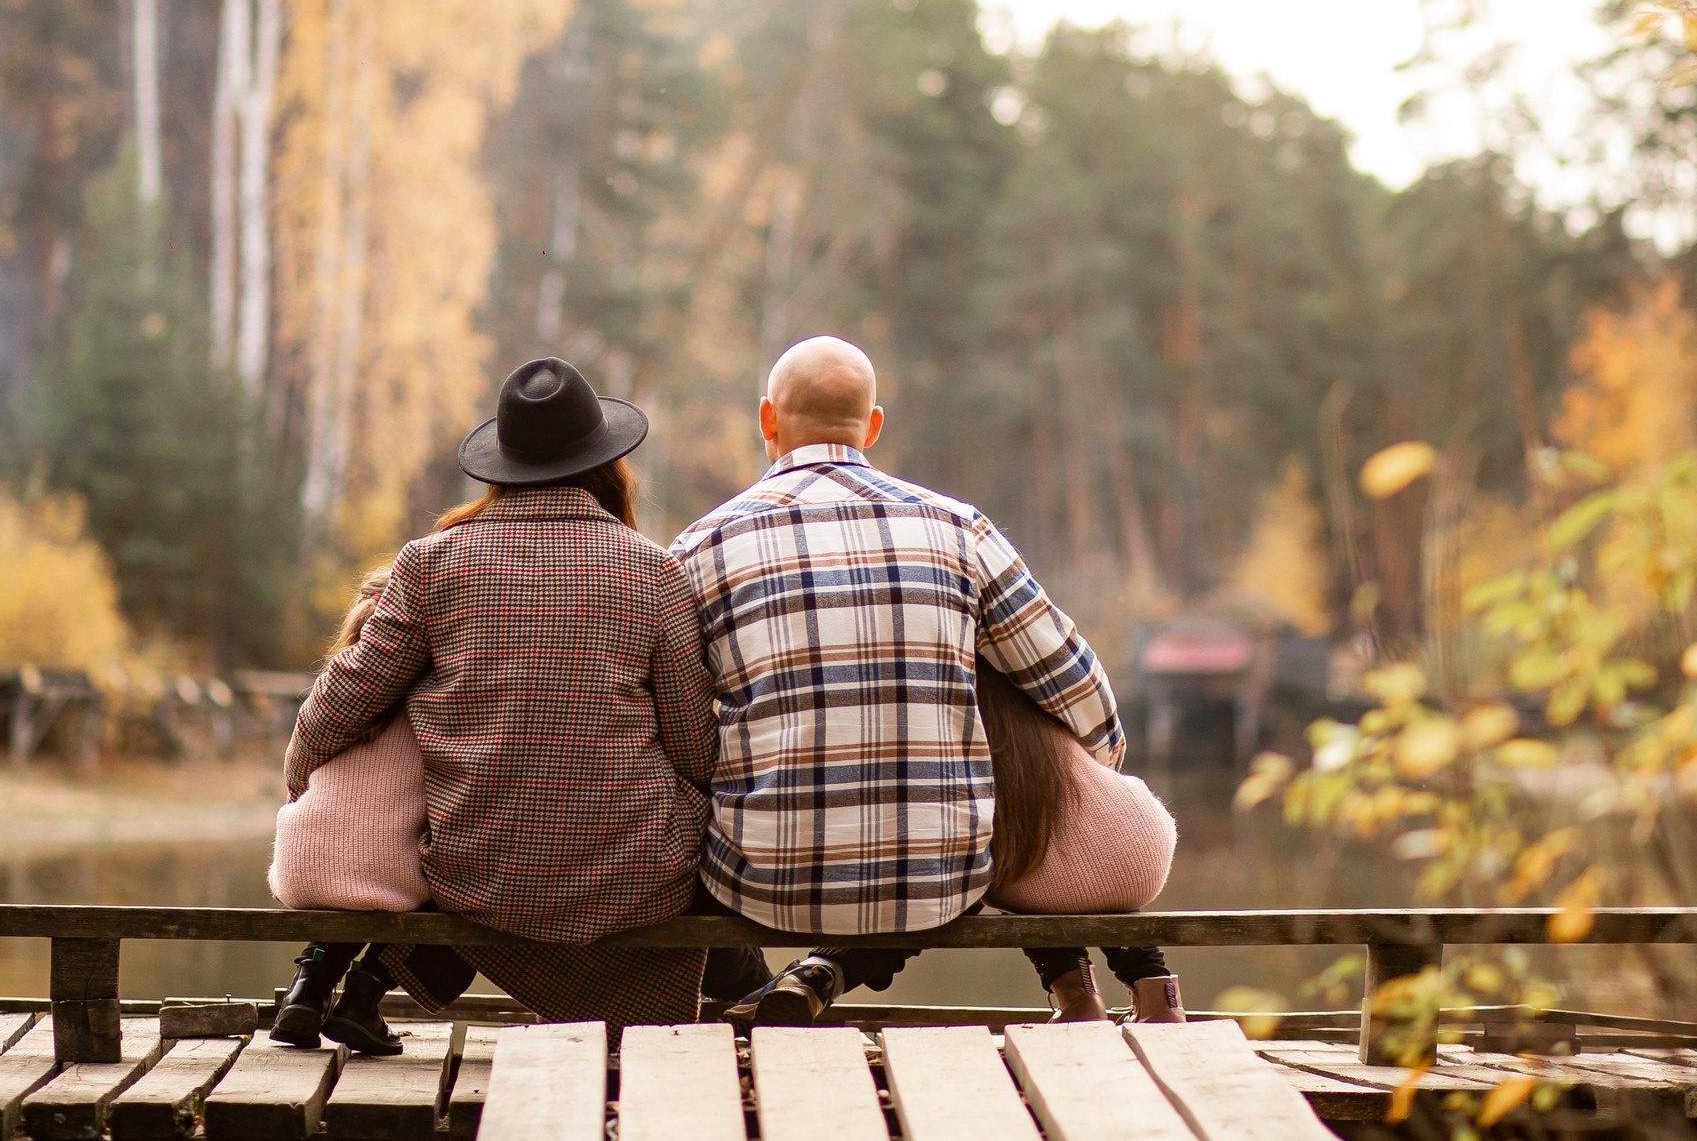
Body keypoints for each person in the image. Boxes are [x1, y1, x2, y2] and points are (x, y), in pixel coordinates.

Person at [672, 335, 1158, 1024]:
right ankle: (1101, 988)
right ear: (872, 426)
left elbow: (679, 732)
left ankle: (797, 978)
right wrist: (1087, 777)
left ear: (766, 420)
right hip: (941, 878)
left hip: (757, 883)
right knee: (1000, 719)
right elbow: (1081, 694)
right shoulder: (958, 528)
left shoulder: (699, 547)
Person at [276, 357, 718, 1045]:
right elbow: (695, 751)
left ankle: (351, 982)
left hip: (475, 871)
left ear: (501, 465)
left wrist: (302, 781)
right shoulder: (655, 571)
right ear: (608, 464)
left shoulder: (431, 562)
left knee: (425, 789)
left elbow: (344, 701)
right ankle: (738, 1006)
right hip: (629, 880)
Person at [265, 568, 475, 1053]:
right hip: (384, 874)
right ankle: (363, 998)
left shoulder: (331, 694)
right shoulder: (434, 703)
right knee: (466, 888)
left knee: (354, 886)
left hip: (299, 866)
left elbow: (296, 773)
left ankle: (308, 988)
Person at [977, 658, 1185, 1021]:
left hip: (1043, 874)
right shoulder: (1044, 693)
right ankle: (1161, 999)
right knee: (1105, 891)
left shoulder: (963, 718)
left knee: (1018, 882)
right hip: (1142, 842)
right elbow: (1107, 740)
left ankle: (1079, 999)